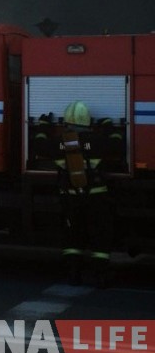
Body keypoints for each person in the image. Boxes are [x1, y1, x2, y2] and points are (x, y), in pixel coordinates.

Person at [52, 101, 113, 286]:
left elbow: (39, 146)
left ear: (66, 123)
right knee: (99, 237)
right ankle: (100, 277)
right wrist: (109, 128)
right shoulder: (98, 142)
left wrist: (42, 128)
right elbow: (117, 144)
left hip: (71, 198)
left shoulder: (60, 143)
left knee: (72, 237)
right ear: (88, 122)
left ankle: (74, 275)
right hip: (97, 198)